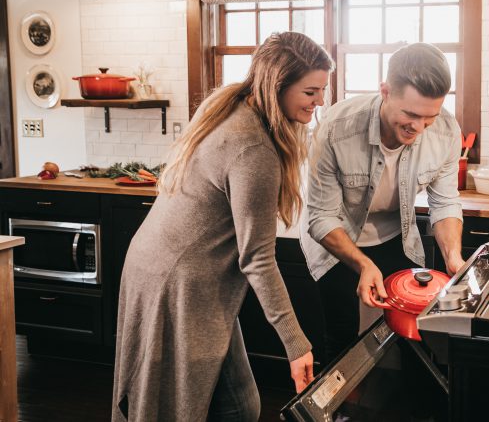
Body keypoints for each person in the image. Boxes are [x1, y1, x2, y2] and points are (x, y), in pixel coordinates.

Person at [112, 32, 334, 422]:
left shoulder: (229, 105)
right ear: (276, 85)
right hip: (180, 283)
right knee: (217, 407)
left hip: (158, 266)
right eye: (311, 92)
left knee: (234, 402)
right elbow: (258, 260)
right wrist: (297, 345)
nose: (319, 102)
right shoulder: (253, 148)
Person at [301, 42, 465, 363]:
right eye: (410, 114)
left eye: (429, 117)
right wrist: (363, 264)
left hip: (396, 237)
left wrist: (454, 257)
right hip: (337, 240)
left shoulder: (445, 131)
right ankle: (342, 413)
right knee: (343, 337)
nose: (418, 128)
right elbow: (321, 217)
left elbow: (444, 203)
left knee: (413, 336)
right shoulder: (335, 129)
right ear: (385, 91)